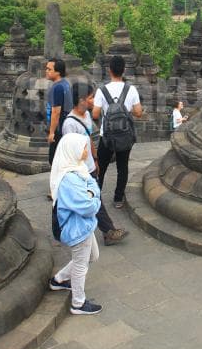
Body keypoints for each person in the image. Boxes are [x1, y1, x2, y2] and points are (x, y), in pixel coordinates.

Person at [62, 82, 129, 246]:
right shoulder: (69, 124)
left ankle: (106, 231)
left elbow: (89, 138)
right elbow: (71, 152)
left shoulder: (86, 116)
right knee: (93, 200)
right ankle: (108, 231)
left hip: (90, 167)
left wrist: (96, 159)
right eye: (91, 97)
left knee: (93, 199)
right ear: (81, 99)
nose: (94, 100)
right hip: (80, 170)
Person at [48, 133, 103, 315]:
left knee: (92, 256)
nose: (87, 151)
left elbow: (94, 186)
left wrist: (91, 193)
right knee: (81, 264)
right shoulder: (69, 179)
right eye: (84, 147)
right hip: (77, 228)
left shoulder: (77, 168)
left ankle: (59, 279)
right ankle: (78, 303)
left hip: (84, 225)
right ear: (73, 150)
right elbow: (88, 207)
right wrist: (93, 197)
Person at [93, 55, 142, 209]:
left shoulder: (102, 90)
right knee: (122, 167)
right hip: (124, 135)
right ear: (124, 70)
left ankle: (96, 197)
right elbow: (138, 112)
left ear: (109, 70)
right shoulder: (131, 89)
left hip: (106, 135)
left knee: (101, 167)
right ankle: (118, 198)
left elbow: (95, 114)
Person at [45, 58, 71, 165]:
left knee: (54, 161)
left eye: (49, 69)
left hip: (59, 130)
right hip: (64, 127)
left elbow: (56, 112)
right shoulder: (65, 83)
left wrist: (51, 133)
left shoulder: (58, 87)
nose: (46, 71)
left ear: (58, 72)